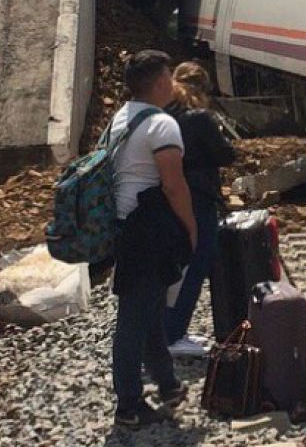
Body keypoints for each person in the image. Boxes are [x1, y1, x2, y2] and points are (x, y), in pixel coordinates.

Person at [109, 50, 197, 429]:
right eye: (169, 77)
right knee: (133, 319)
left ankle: (167, 385)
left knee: (149, 311)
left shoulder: (122, 117)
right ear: (161, 81)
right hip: (149, 230)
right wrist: (191, 228)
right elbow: (173, 185)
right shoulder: (162, 125)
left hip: (125, 225)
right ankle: (128, 404)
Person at [163, 61, 236, 357]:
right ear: (203, 89)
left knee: (172, 267)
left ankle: (164, 329)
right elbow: (224, 154)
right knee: (195, 264)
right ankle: (174, 334)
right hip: (198, 199)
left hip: (166, 197)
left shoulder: (165, 114)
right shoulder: (201, 119)